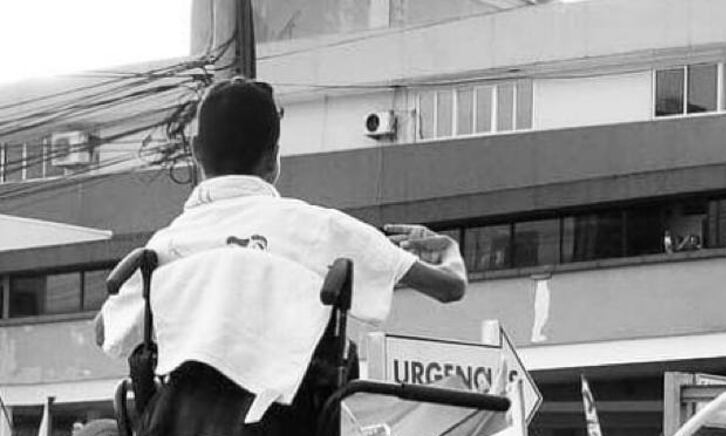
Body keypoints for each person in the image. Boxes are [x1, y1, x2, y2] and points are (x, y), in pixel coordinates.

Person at [96, 76, 466, 374]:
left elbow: (104, 332)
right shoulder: (318, 228)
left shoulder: (164, 246)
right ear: (273, 157)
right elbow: (450, 289)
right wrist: (448, 250)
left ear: (195, 151)